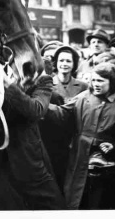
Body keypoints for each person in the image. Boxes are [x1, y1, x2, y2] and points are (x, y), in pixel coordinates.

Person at [45, 63, 115, 209]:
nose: (96, 84)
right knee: (76, 197)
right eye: (94, 80)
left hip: (105, 163)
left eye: (101, 81)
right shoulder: (84, 96)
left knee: (100, 201)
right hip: (79, 154)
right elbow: (62, 112)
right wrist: (41, 104)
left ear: (112, 82)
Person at [0, 55, 65, 210]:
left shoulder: (42, 78)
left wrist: (8, 85)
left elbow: (36, 110)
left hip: (26, 159)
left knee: (53, 207)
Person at [43, 46, 87, 192]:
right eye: (61, 60)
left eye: (68, 61)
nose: (64, 64)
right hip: (52, 137)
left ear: (74, 64)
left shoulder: (83, 86)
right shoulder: (48, 83)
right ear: (56, 63)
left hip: (73, 136)